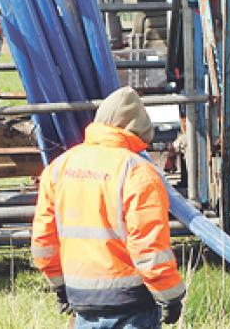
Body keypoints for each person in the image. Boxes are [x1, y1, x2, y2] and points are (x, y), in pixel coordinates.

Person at [31, 86, 185, 328]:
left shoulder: (60, 167)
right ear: (139, 130)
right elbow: (148, 246)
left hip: (81, 301)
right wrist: (170, 296)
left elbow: (43, 240)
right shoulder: (137, 171)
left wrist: (59, 284)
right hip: (130, 304)